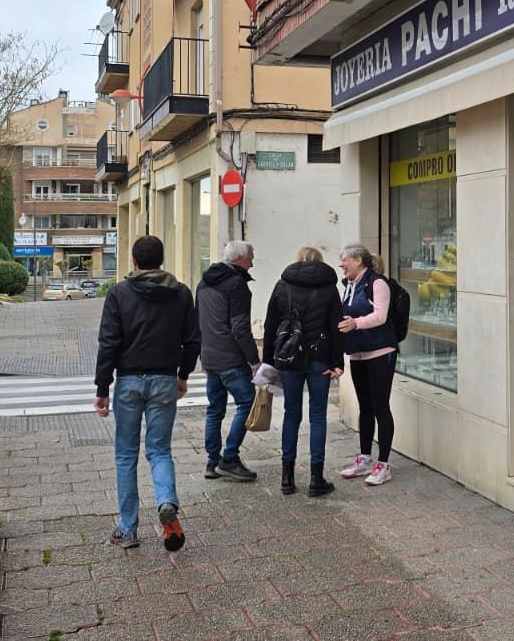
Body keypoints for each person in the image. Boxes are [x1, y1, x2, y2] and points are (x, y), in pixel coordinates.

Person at [93, 235, 199, 552]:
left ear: (134, 261)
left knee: (126, 454)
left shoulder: (119, 293)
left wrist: (102, 387)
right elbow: (193, 340)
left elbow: (108, 342)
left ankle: (128, 529)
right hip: (164, 379)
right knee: (159, 450)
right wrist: (183, 375)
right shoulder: (180, 293)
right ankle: (166, 501)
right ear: (161, 260)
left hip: (128, 381)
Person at [261, 246, 345, 497]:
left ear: (297, 261)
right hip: (320, 358)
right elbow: (335, 326)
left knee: (291, 414)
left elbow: (270, 325)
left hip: (288, 358)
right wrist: (336, 361)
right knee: (318, 415)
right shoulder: (329, 288)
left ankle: (287, 478)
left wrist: (268, 362)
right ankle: (315, 478)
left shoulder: (282, 285)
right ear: (320, 262)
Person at [196, 240, 260, 481]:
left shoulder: (204, 282)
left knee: (215, 409)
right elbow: (240, 328)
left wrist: (203, 354)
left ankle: (212, 462)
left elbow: (198, 322)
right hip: (231, 358)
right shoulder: (237, 285)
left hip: (211, 356)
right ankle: (230, 458)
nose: (252, 262)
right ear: (239, 259)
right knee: (247, 403)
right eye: (250, 257)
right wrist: (254, 361)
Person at [335, 243, 398, 486]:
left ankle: (383, 463)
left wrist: (356, 324)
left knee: (380, 406)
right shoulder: (349, 285)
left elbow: (380, 316)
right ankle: (363, 459)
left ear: (358, 261)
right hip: (358, 353)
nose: (341, 264)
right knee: (365, 407)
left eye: (345, 260)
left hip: (380, 352)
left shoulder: (378, 283)